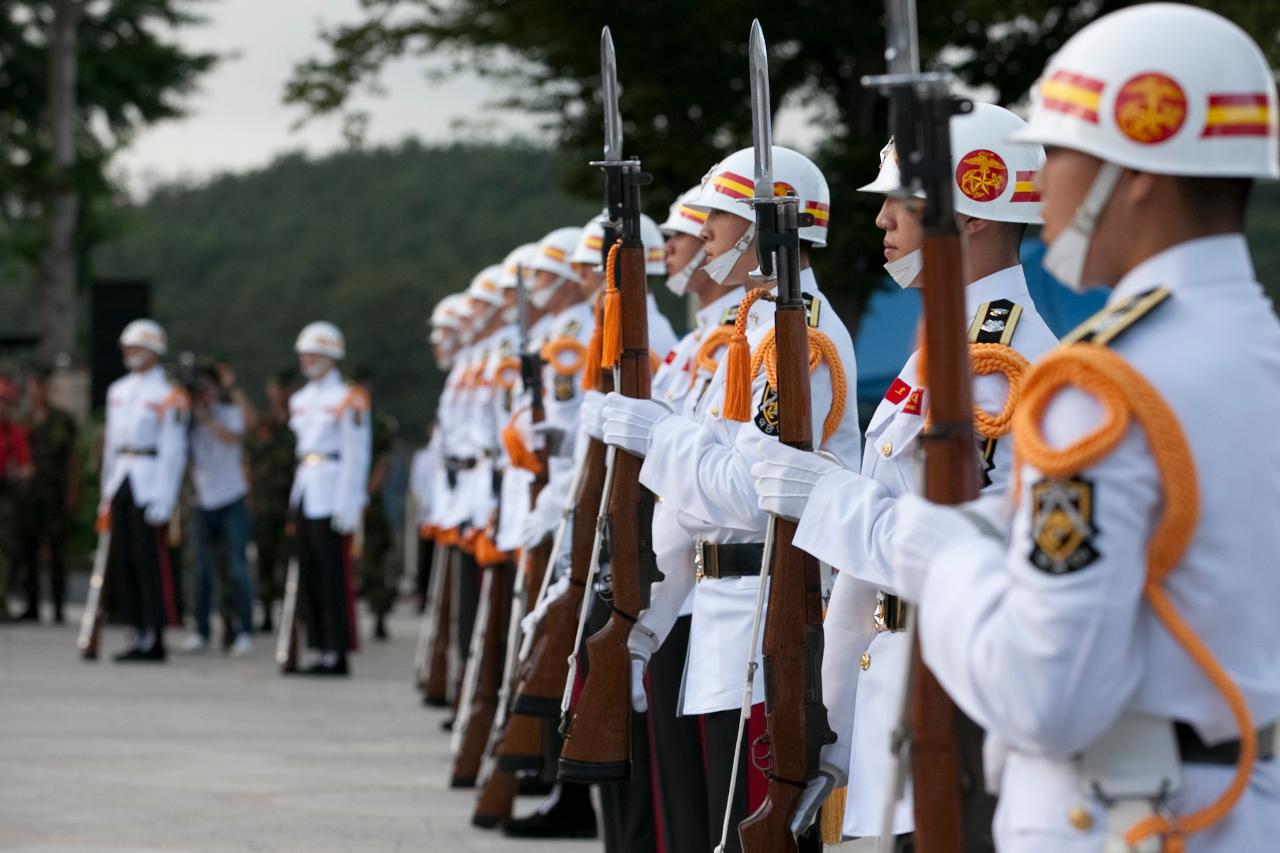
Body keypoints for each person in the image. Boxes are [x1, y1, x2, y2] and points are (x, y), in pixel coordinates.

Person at [882, 5, 1280, 851]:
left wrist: (940, 551)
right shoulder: (1259, 351)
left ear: (1133, 173)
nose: (1044, 185)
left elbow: (1047, 698)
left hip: (1125, 819)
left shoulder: (1102, 387)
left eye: (1059, 155)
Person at [748, 104, 1057, 845]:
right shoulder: (943, 349)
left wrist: (823, 495)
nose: (883, 218)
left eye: (901, 201)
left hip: (952, 691)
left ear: (970, 214)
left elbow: (964, 548)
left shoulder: (1003, 366)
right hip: (895, 683)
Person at [601, 146, 860, 853]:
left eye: (718, 211)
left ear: (759, 225)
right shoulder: (754, 329)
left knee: (753, 830)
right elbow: (705, 493)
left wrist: (661, 441)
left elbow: (749, 495)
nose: (705, 226)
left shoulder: (793, 339)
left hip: (764, 620)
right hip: (727, 617)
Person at [99, 319, 188, 661]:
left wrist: (165, 496)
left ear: (152, 351)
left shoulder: (169, 394)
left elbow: (173, 449)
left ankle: (154, 634)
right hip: (122, 477)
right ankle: (136, 630)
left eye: (135, 347)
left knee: (150, 563)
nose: (128, 353)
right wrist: (106, 494)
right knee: (124, 561)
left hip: (150, 482)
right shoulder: (118, 390)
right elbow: (110, 446)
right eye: (126, 347)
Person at [288, 321, 371, 676]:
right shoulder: (301, 399)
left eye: (315, 353)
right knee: (309, 575)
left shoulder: (348, 398)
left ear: (331, 355)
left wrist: (349, 503)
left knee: (333, 577)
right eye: (305, 354)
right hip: (307, 488)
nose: (308, 359)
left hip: (333, 491)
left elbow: (357, 454)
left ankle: (336, 651)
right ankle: (318, 647)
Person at [182, 364, 255, 655]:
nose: (205, 394)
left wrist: (224, 394)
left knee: (238, 569)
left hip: (232, 499)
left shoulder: (229, 412)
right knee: (201, 570)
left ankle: (245, 631)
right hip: (202, 502)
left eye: (209, 388)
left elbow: (234, 436)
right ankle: (201, 631)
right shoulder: (187, 418)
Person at [18, 368, 78, 624]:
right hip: (27, 498)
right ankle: (31, 605)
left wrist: (72, 492)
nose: (37, 391)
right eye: (33, 386)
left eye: (41, 386)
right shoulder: (22, 419)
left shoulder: (63, 420)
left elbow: (72, 459)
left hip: (54, 495)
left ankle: (57, 606)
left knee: (56, 553)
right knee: (27, 552)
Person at [245, 369, 297, 633]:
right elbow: (248, 458)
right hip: (266, 500)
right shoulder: (263, 425)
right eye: (277, 389)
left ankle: (295, 612)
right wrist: (250, 493)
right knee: (265, 557)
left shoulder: (302, 421)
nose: (281, 395)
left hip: (293, 500)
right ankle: (265, 611)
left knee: (293, 558)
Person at [0, 378, 33, 621]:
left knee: (6, 554)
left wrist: (15, 473)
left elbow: (27, 467)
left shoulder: (16, 434)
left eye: (5, 402)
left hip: (7, 500)